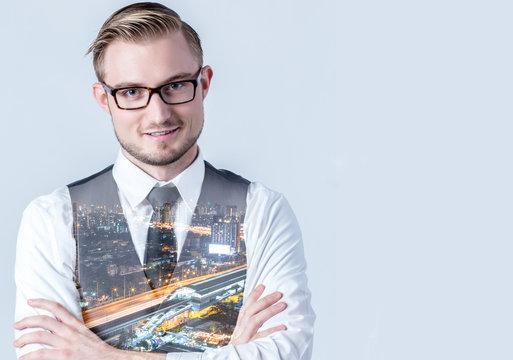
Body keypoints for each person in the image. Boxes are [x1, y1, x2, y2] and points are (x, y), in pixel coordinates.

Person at [13, 2, 315, 360]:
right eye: (131, 92)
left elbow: (283, 354)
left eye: (174, 86)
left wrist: (106, 355)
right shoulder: (53, 219)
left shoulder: (261, 211)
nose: (158, 114)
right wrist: (232, 352)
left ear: (203, 84)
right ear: (103, 99)